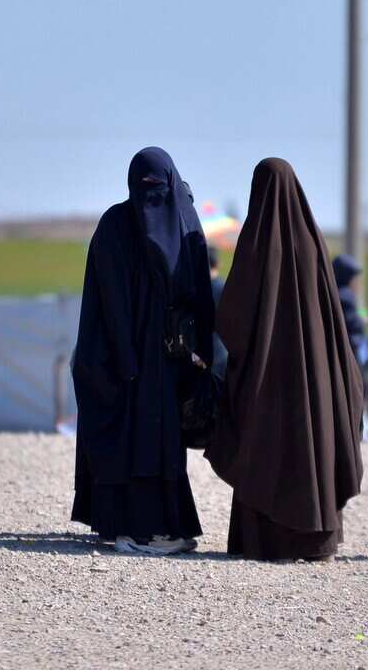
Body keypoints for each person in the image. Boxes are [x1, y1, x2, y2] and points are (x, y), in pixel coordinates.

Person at [207, 157, 364, 562]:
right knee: (314, 436)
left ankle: (265, 542)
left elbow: (232, 316)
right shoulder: (312, 241)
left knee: (265, 442)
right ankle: (315, 542)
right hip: (315, 372)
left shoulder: (257, 242)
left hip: (266, 373)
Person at [70, 147, 213, 556]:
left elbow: (200, 294)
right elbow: (106, 300)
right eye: (143, 187)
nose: (151, 199)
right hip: (122, 359)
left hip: (165, 360)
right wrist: (124, 356)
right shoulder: (116, 226)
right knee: (129, 437)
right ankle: (124, 523)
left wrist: (198, 353)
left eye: (158, 188)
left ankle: (157, 525)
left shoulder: (184, 224)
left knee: (158, 443)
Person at [333, 254, 367, 360]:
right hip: (347, 350)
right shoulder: (346, 295)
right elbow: (354, 324)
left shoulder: (334, 291)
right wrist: (362, 319)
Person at [207, 245, 228, 379]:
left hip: (202, 350)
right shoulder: (225, 286)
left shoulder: (198, 289)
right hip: (222, 349)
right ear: (218, 263)